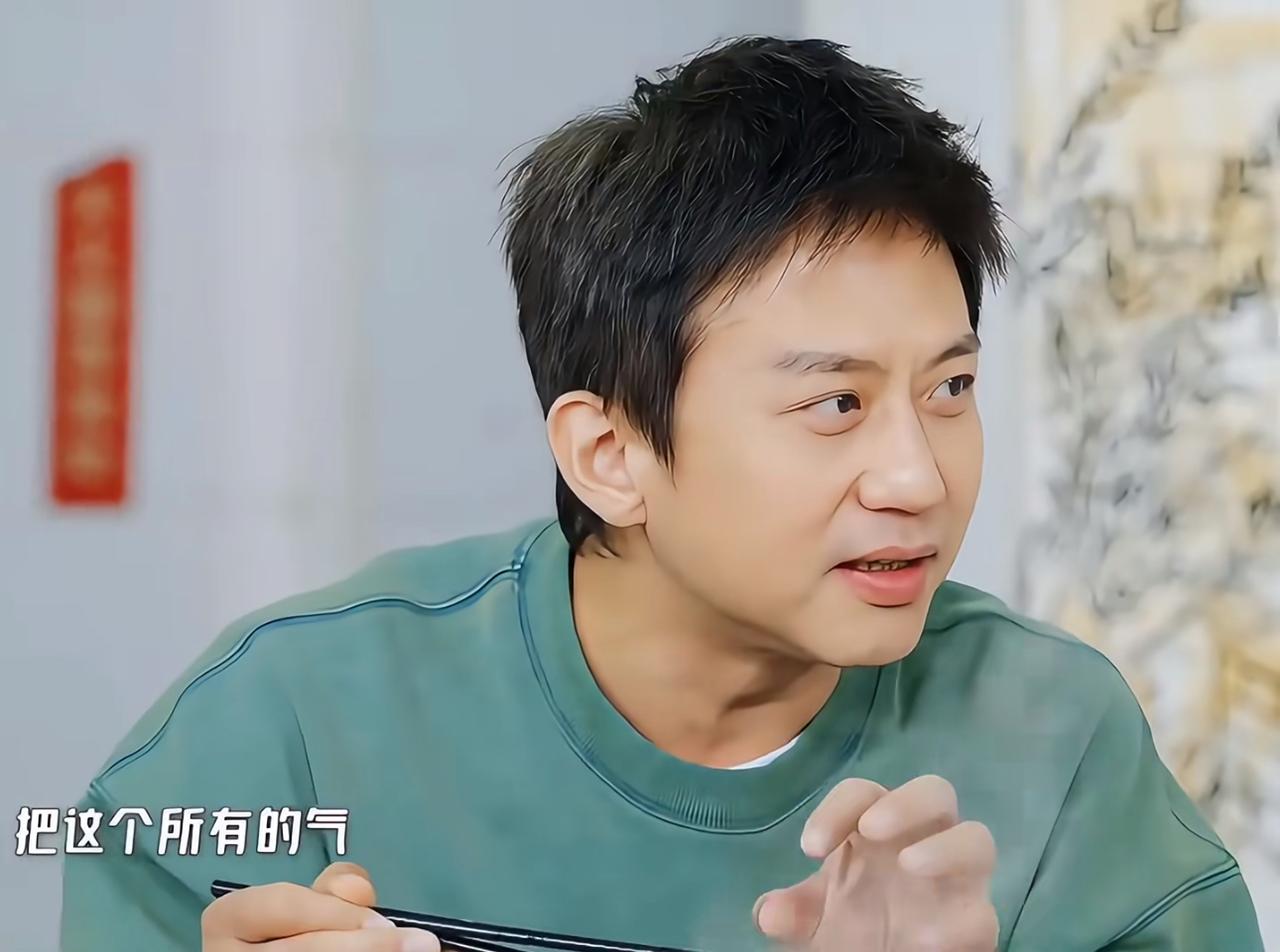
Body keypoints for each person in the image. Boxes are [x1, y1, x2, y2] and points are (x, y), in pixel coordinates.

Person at [60, 36, 1264, 952]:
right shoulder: (288, 726)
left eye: (948, 387)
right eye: (834, 403)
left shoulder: (1050, 742)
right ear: (609, 454)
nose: (916, 476)